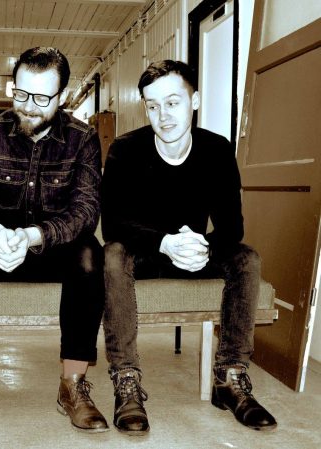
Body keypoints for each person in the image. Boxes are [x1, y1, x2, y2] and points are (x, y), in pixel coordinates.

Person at [0, 47, 108, 434]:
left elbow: (85, 211)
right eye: (21, 93)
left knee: (90, 254)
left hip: (52, 247)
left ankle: (73, 385)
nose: (28, 106)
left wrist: (32, 236)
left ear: (62, 96)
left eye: (42, 98)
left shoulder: (83, 139)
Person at [101, 59, 277, 434]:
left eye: (173, 102)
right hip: (146, 252)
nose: (163, 115)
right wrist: (165, 243)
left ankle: (229, 378)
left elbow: (233, 226)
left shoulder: (216, 150)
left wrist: (206, 249)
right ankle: (126, 380)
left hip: (195, 252)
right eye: (153, 106)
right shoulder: (125, 150)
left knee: (246, 258)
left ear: (194, 101)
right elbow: (113, 224)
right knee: (112, 254)